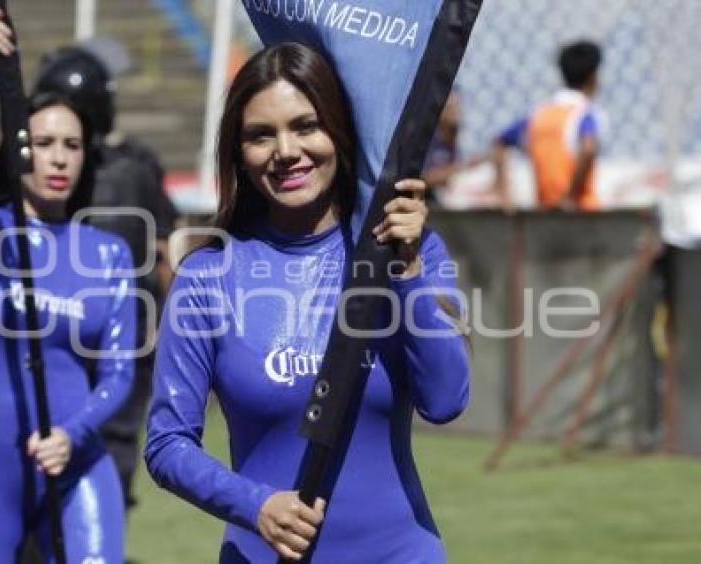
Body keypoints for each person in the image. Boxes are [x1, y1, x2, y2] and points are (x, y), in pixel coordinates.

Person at [145, 42, 470, 563]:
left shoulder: (406, 249)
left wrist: (407, 272)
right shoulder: (208, 277)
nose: (286, 151)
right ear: (238, 152)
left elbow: (446, 398)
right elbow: (166, 446)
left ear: (339, 132)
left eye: (305, 126)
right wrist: (256, 505)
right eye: (260, 135)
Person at [0, 6, 135, 562]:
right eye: (43, 143)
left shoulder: (107, 253)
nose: (58, 158)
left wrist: (73, 433)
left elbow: (118, 373)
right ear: (20, 149)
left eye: (71, 144)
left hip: (74, 466)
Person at [32, 43, 179, 518]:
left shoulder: (43, 178)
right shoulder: (136, 170)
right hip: (127, 338)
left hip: (70, 336)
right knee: (110, 446)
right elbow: (164, 253)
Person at [492, 40, 604, 211]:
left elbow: (499, 142)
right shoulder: (585, 114)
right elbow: (588, 149)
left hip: (546, 212)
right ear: (593, 77)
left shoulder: (537, 116)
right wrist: (569, 197)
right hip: (582, 212)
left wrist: (504, 196)